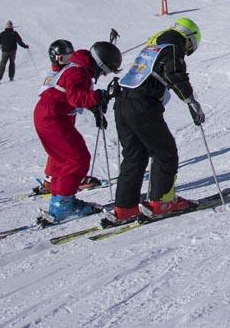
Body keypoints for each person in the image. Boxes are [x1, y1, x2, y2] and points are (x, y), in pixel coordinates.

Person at [107, 18, 206, 223]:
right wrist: (190, 100)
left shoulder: (154, 45)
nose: (187, 50)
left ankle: (125, 207)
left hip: (123, 101)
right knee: (165, 152)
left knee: (135, 155)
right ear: (189, 39)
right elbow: (174, 73)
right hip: (142, 105)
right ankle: (162, 201)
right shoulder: (173, 45)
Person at [33, 40, 121, 222]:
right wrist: (100, 96)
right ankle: (63, 205)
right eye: (104, 71)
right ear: (100, 64)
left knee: (63, 160)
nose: (102, 75)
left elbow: (74, 93)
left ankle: (61, 201)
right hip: (53, 119)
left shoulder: (77, 67)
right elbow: (76, 97)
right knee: (78, 158)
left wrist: (96, 109)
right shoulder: (78, 71)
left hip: (48, 116)